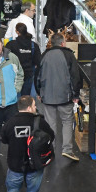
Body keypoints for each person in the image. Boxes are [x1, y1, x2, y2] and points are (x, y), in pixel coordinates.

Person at [0, 96, 54, 192]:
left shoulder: (10, 122)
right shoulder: (39, 122)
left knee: (12, 190)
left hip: (14, 164)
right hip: (34, 165)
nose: (36, 108)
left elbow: (4, 139)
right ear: (29, 107)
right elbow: (51, 136)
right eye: (34, 105)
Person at [35, 32, 81, 160]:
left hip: (47, 96)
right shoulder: (69, 55)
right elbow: (75, 76)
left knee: (50, 123)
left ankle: (51, 148)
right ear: (62, 43)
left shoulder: (44, 55)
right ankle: (67, 149)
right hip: (65, 97)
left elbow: (37, 75)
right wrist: (75, 94)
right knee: (67, 121)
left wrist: (39, 92)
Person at [6, 23, 41, 96]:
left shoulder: (11, 44)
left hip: (15, 75)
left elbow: (4, 59)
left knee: (15, 97)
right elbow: (38, 62)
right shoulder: (33, 45)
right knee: (25, 97)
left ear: (17, 32)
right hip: (28, 74)